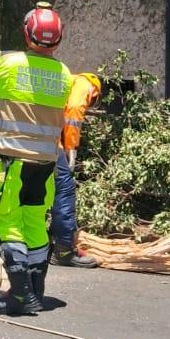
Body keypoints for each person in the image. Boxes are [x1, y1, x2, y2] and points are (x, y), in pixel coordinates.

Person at [0, 3, 72, 315]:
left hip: (9, 162)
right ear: (57, 39)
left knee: (7, 220)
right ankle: (36, 290)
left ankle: (18, 296)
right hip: (45, 165)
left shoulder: (9, 63)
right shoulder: (64, 74)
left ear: (27, 34)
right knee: (34, 223)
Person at [51, 72, 102, 267]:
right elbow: (73, 111)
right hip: (50, 143)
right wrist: (71, 149)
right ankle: (64, 249)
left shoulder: (63, 79)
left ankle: (35, 244)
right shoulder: (86, 84)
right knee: (64, 190)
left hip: (27, 140)